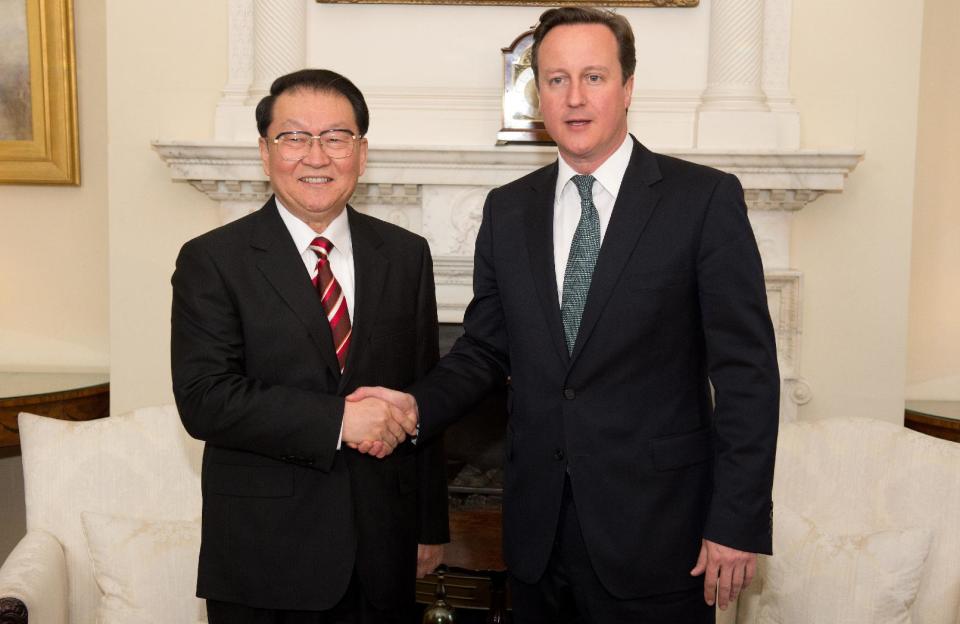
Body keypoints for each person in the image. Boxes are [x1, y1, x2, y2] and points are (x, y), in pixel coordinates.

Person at [350, 7, 780, 623]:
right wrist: (416, 407)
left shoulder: (704, 200)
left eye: (594, 77)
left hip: (660, 538)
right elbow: (484, 350)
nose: (574, 98)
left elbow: (747, 374)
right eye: (555, 79)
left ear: (629, 87)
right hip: (536, 540)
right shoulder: (507, 211)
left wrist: (736, 520)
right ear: (538, 93)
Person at [171, 68, 448, 624]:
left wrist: (428, 526)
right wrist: (338, 422)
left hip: (382, 554)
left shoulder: (406, 254)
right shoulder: (213, 260)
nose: (316, 157)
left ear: (361, 153)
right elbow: (205, 398)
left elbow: (424, 393)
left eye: (336, 138)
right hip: (264, 559)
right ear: (265, 152)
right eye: (294, 137)